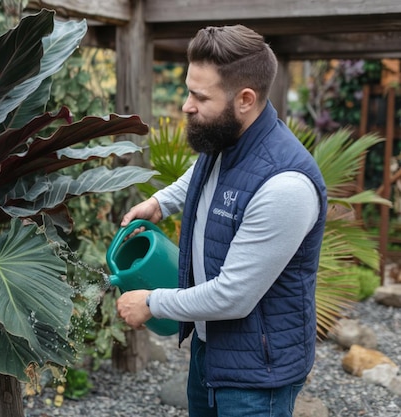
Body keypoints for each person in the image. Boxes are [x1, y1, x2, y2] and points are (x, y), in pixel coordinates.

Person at [115, 25, 327, 417]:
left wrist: (151, 302)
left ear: (245, 99)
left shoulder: (285, 186)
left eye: (199, 96)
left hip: (257, 376)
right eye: (187, 90)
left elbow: (233, 295)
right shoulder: (227, 137)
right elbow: (202, 171)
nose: (185, 105)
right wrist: (163, 201)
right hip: (211, 350)